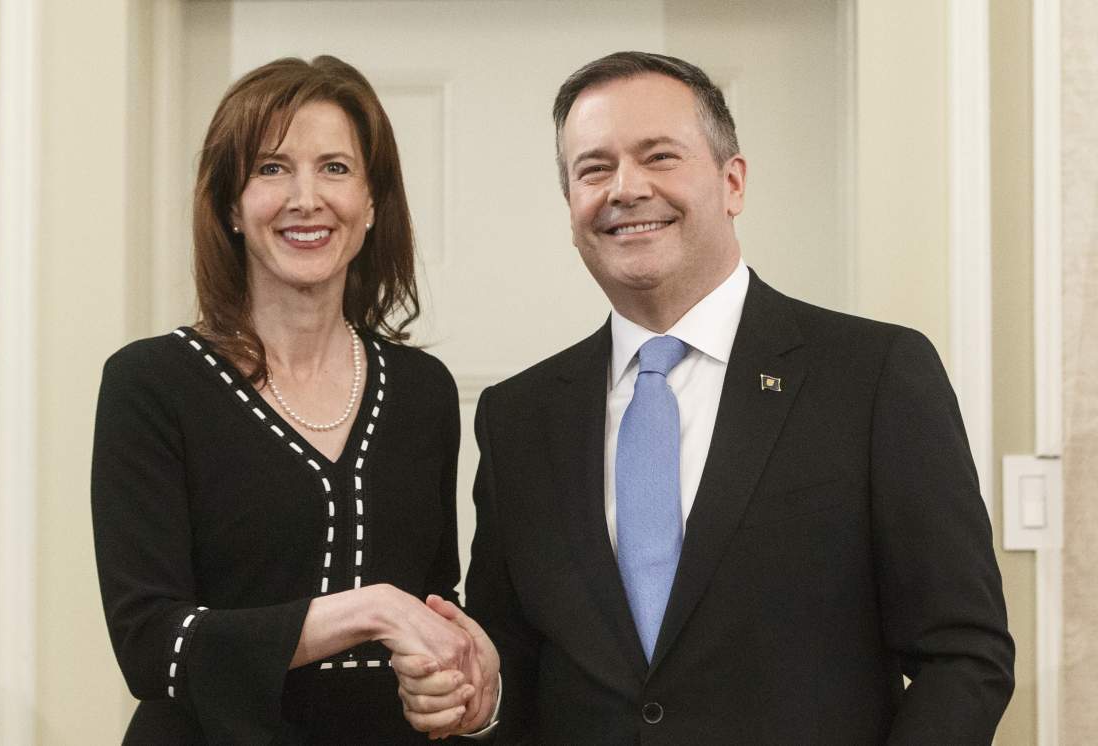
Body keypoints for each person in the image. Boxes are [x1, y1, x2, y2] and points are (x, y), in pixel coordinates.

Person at [397, 51, 1015, 743]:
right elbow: (515, 661)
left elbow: (964, 656)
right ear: (570, 202)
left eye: (659, 156)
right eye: (593, 168)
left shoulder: (873, 376)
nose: (624, 188)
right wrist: (487, 701)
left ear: (733, 181)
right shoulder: (520, 417)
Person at [91, 56, 497, 744]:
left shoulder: (422, 392)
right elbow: (153, 646)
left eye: (335, 168)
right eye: (271, 169)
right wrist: (365, 611)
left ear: (371, 204)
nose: (305, 197)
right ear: (230, 206)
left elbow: (431, 604)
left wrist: (468, 682)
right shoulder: (151, 384)